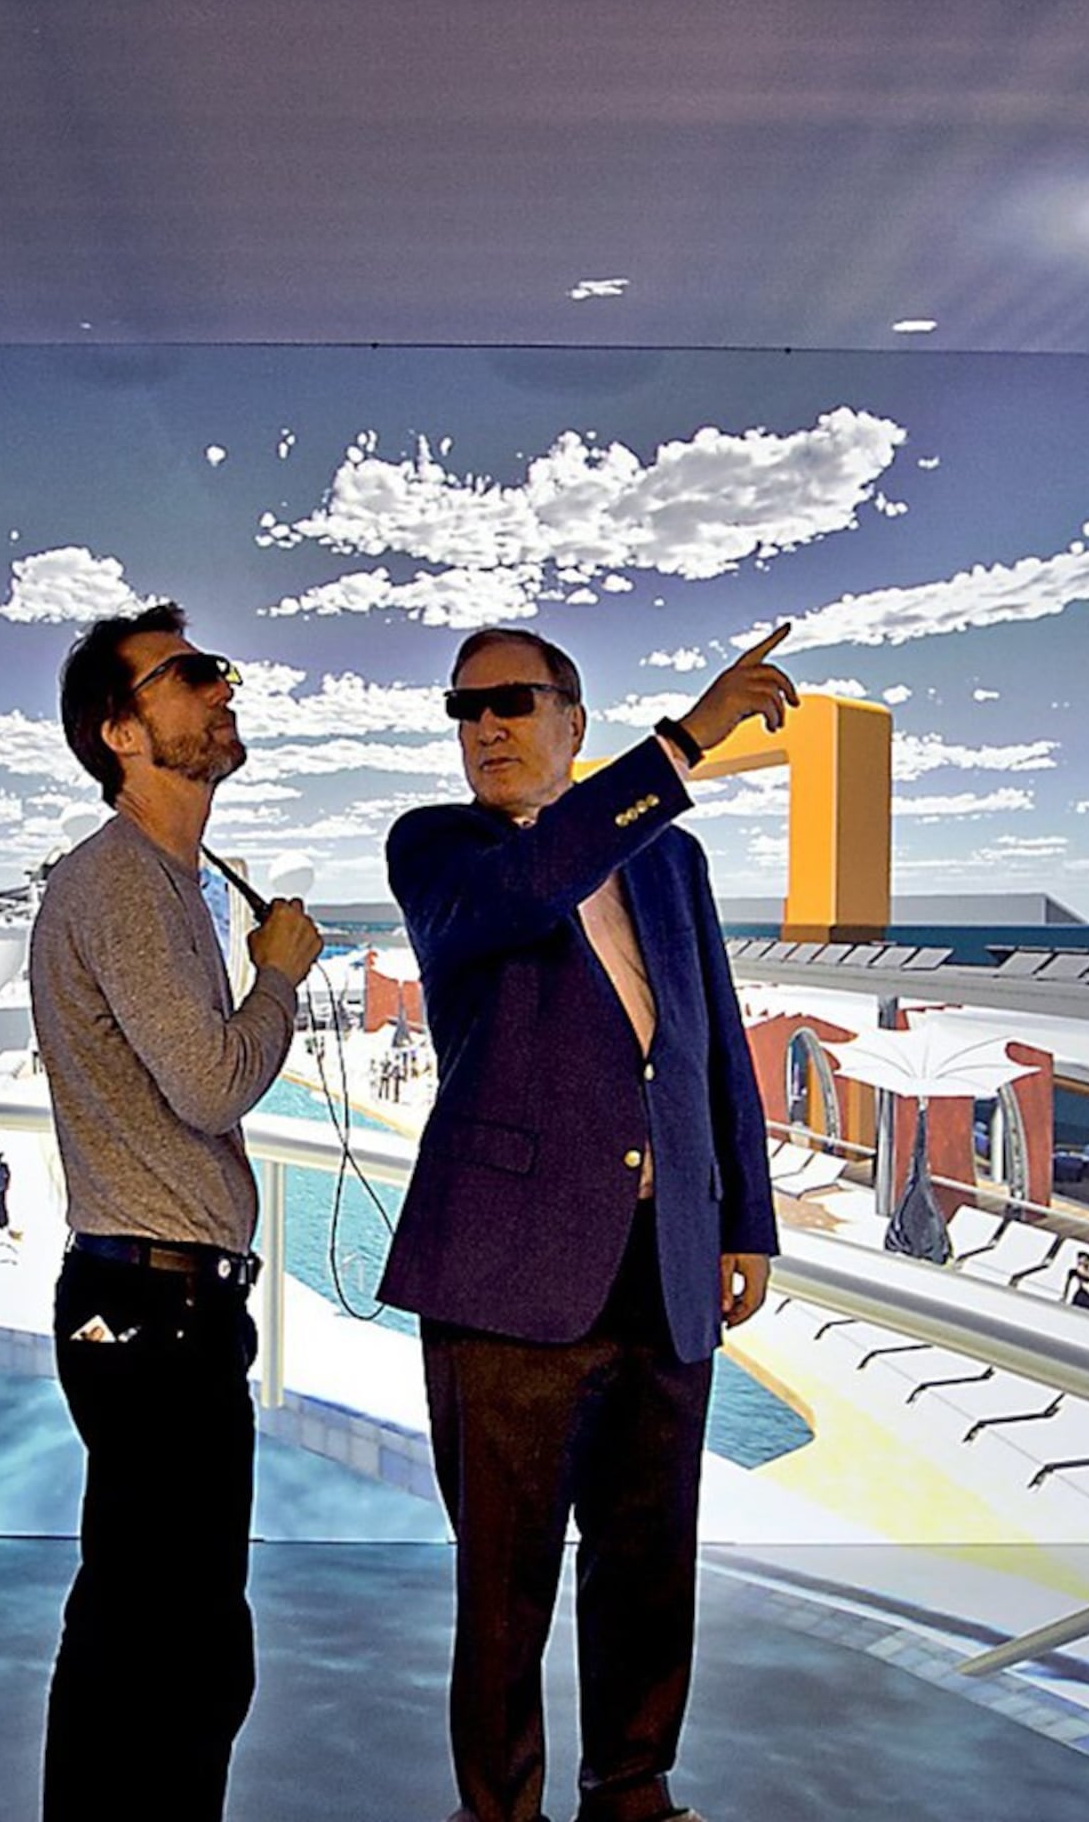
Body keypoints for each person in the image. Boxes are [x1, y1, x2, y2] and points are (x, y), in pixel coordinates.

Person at [380, 623, 794, 1822]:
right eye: (464, 710)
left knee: (651, 1562)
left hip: (662, 1266)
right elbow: (535, 881)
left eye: (512, 702)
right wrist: (687, 742)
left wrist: (744, 1216)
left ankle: (632, 1791)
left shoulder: (671, 860)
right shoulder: (440, 850)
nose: (485, 727)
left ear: (574, 720)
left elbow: (713, 1043)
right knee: (505, 1586)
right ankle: (498, 1810)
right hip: (507, 1277)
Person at [28, 603, 325, 1820]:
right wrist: (279, 979)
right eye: (191, 674)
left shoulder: (164, 884)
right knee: (171, 1649)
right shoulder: (123, 884)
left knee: (158, 1634)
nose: (222, 689)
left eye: (219, 672)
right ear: (120, 730)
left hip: (157, 1305)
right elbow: (209, 1084)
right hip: (155, 1312)